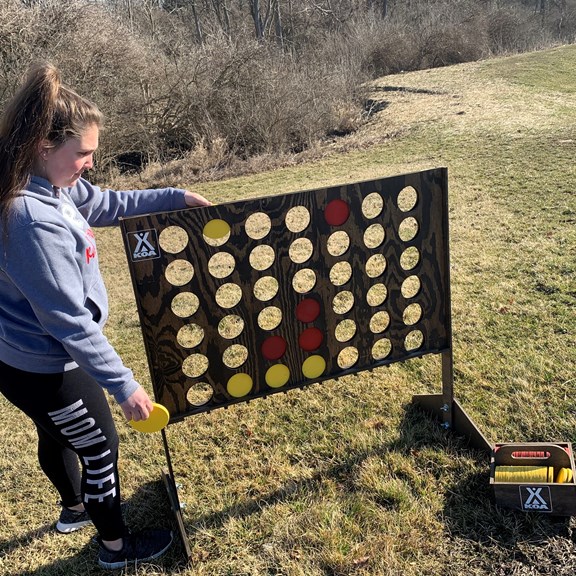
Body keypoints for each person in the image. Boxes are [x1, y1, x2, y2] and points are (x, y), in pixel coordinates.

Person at [0, 62, 211, 569]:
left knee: (56, 435)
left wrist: (174, 198)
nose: (90, 164)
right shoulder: (30, 217)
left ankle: (74, 509)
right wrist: (124, 386)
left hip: (25, 361)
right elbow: (67, 320)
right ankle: (115, 549)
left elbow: (109, 203)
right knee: (99, 447)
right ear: (43, 146)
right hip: (45, 366)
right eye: (84, 153)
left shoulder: (55, 186)